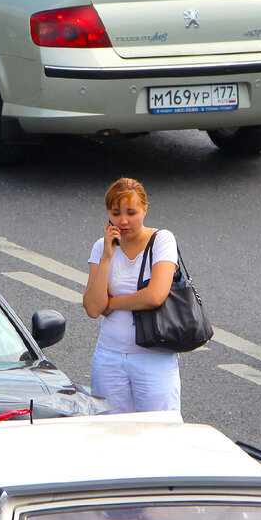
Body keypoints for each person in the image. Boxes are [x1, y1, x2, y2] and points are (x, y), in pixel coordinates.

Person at [83, 177, 180, 413]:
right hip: (109, 356)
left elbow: (154, 296)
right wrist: (107, 256)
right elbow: (94, 308)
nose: (123, 221)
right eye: (115, 213)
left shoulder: (162, 241)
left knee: (157, 433)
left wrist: (112, 303)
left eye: (131, 212)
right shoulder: (101, 247)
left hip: (153, 357)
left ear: (145, 210)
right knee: (110, 434)